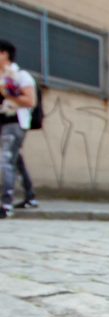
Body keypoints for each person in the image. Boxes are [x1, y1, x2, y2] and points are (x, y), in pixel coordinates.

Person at [0, 39, 37, 219]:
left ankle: (6, 205)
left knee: (6, 161)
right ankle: (30, 196)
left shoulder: (20, 76)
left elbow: (30, 101)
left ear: (4, 54)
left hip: (14, 124)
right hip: (1, 123)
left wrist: (7, 93)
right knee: (16, 161)